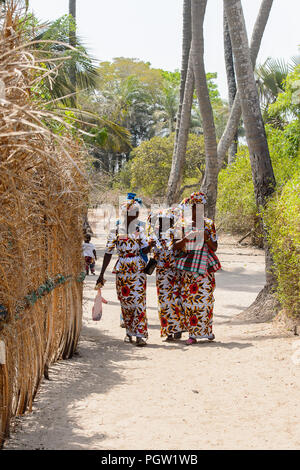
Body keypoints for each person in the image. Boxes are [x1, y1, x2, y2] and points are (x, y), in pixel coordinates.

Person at [96, 195, 154, 347]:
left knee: (139, 302)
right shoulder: (115, 230)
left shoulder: (139, 230)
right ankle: (129, 332)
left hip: (138, 269)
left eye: (136, 213)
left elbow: (143, 249)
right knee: (126, 302)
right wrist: (101, 274)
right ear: (124, 214)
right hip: (122, 270)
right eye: (132, 213)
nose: (135, 215)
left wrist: (151, 245)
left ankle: (140, 335)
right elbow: (108, 252)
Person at [173, 191, 221, 345]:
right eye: (195, 207)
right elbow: (175, 246)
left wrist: (206, 238)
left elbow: (214, 247)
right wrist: (188, 238)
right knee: (189, 301)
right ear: (190, 207)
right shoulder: (182, 224)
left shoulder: (209, 224)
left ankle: (207, 332)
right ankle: (193, 334)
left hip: (205, 269)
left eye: (201, 207)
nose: (198, 210)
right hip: (188, 269)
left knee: (206, 301)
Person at [147, 209, 185, 341]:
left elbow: (183, 249)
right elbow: (149, 249)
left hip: (175, 271)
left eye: (168, 221)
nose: (165, 223)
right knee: (163, 302)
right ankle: (168, 331)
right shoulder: (155, 234)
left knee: (176, 300)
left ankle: (178, 328)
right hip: (162, 273)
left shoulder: (177, 233)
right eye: (163, 220)